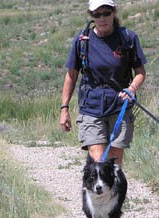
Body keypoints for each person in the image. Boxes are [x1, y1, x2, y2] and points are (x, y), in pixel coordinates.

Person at [59, 0, 147, 166]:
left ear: (114, 13)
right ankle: (98, 189)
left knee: (114, 165)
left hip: (119, 107)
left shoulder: (128, 38)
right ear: (91, 16)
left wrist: (132, 88)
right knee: (99, 163)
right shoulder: (82, 41)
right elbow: (71, 75)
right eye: (97, 14)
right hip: (91, 107)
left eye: (106, 13)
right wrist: (64, 108)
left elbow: (140, 73)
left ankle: (115, 192)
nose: (102, 18)